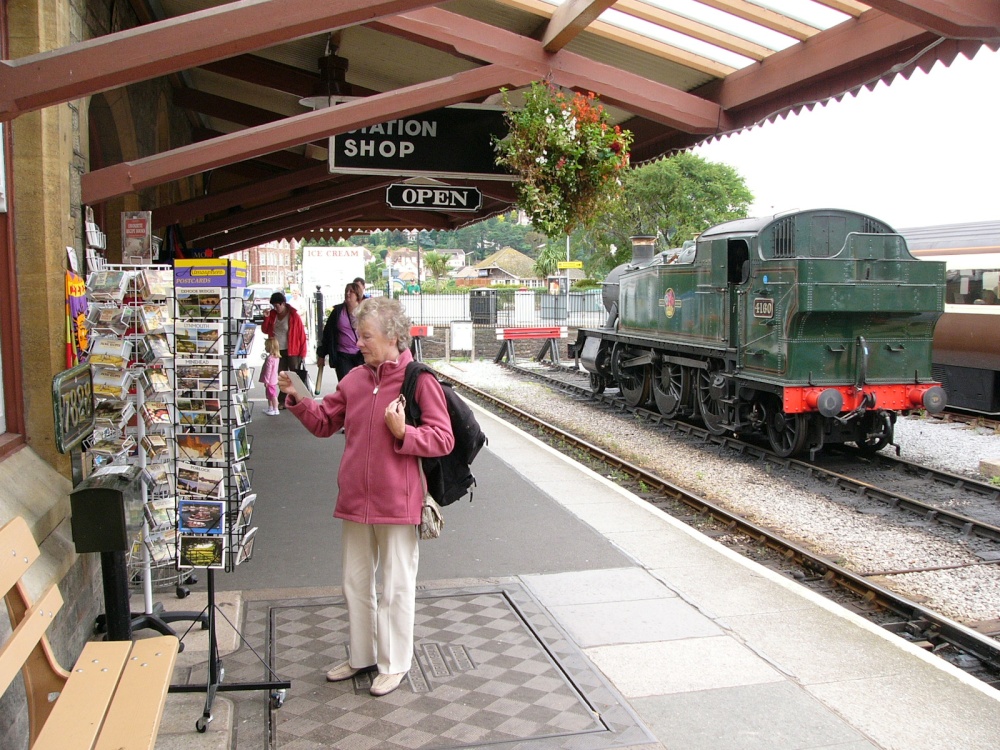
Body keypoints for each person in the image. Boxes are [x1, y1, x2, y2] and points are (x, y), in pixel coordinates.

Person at [279, 297, 454, 697]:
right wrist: (299, 399)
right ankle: (362, 656)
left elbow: (443, 438)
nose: (359, 343)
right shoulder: (355, 380)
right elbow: (325, 424)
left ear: (393, 336)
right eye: (358, 335)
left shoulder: (418, 379)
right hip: (356, 500)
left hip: (398, 502)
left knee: (395, 586)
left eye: (367, 336)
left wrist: (403, 433)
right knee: (355, 583)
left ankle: (394, 664)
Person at [261, 291, 308, 409]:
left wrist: (303, 353)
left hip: (293, 350)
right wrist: (266, 318)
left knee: (293, 375)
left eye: (277, 306)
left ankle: (296, 399)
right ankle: (283, 401)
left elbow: (301, 334)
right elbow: (265, 330)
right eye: (274, 306)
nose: (275, 308)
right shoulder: (272, 315)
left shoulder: (293, 315)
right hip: (277, 350)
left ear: (283, 304)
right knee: (281, 376)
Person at [317, 282, 365, 384]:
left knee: (361, 384)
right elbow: (328, 334)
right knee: (346, 384)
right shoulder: (338, 312)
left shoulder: (365, 312)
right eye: (346, 291)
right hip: (343, 355)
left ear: (357, 295)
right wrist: (321, 355)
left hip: (361, 355)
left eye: (351, 291)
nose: (348, 293)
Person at [259, 336, 281, 415]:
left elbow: (268, 371)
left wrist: (266, 380)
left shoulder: (270, 359)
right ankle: (271, 408)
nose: (265, 348)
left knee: (272, 395)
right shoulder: (276, 358)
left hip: (270, 380)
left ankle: (275, 409)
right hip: (274, 379)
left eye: (266, 346)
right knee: (270, 394)